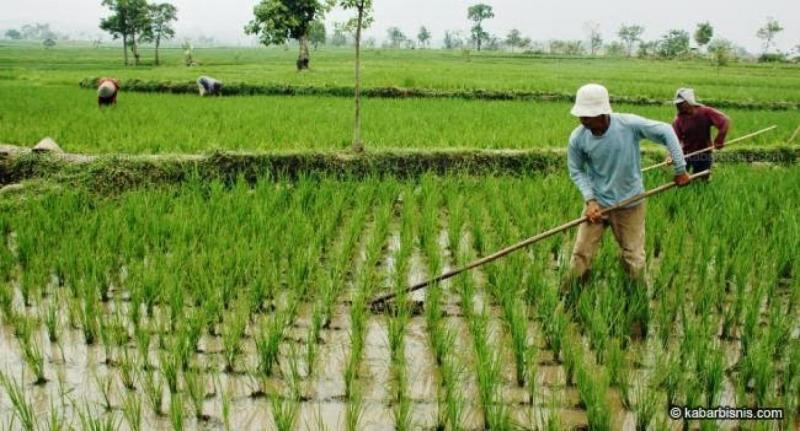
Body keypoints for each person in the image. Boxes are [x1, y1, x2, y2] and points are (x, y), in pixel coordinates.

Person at [564, 84, 691, 334]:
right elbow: (576, 170)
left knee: (633, 259)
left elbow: (666, 130)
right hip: (597, 206)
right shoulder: (578, 137)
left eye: (586, 115)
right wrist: (590, 200)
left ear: (601, 112)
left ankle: (635, 310)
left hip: (629, 205)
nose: (582, 119)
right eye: (581, 114)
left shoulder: (628, 125)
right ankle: (569, 305)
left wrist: (680, 168)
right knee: (580, 255)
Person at [671, 88, 730, 179]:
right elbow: (673, 140)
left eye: (681, 103)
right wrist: (671, 155)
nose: (678, 105)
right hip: (685, 155)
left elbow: (724, 121)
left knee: (701, 181)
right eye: (677, 104)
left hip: (704, 153)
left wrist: (719, 139)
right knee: (681, 181)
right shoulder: (678, 120)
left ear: (689, 101)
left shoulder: (705, 112)